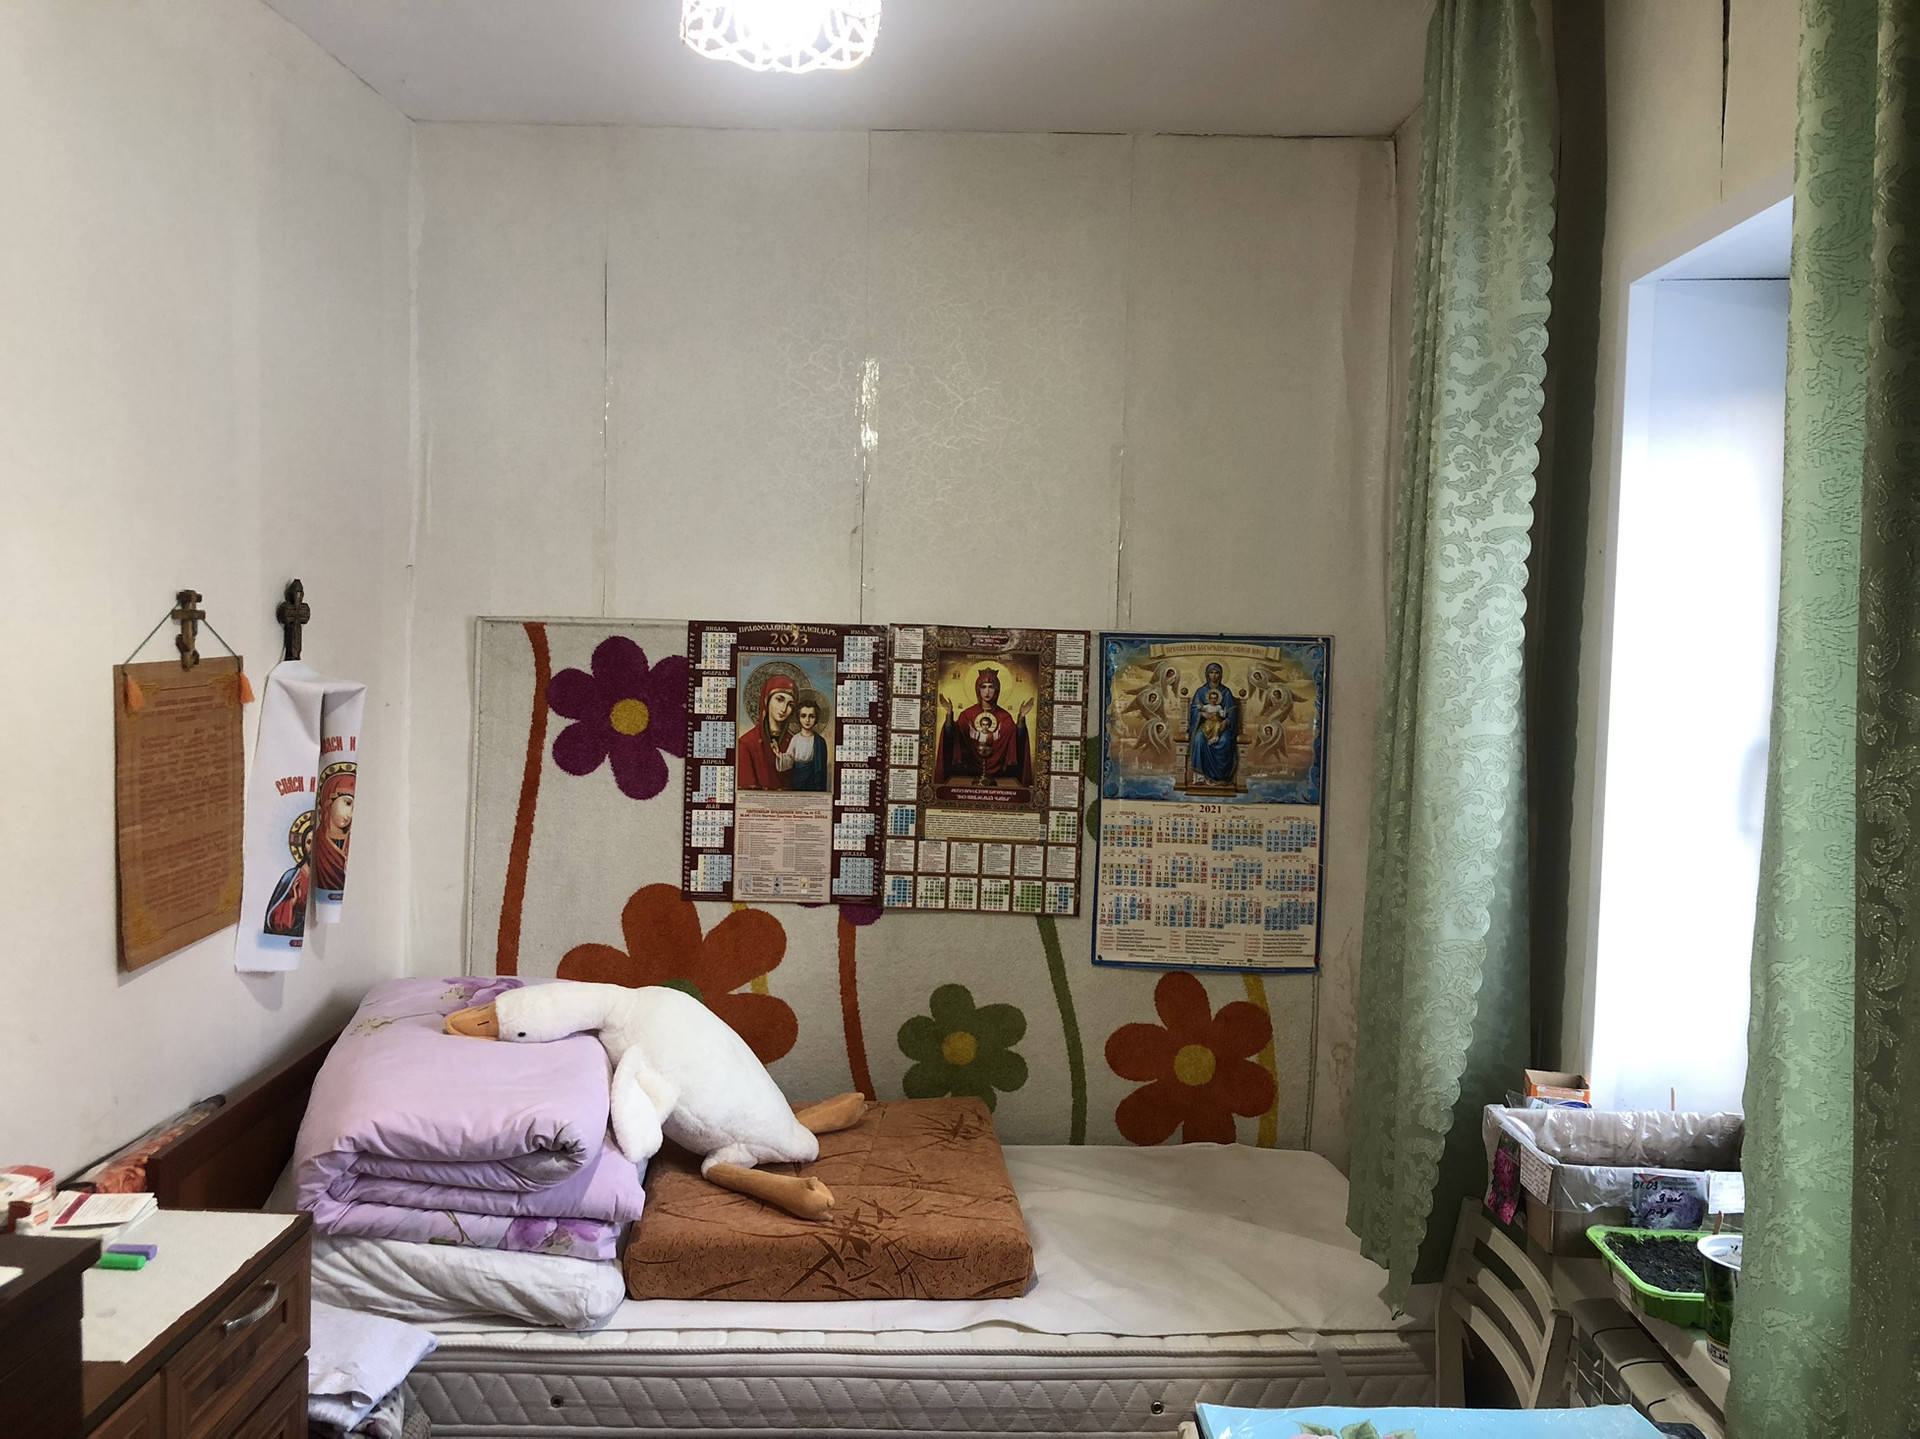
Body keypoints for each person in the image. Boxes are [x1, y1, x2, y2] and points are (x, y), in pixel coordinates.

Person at [934, 666, 1033, 786]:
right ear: (978, 690)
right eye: (983, 687)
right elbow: (952, 737)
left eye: (991, 687)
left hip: (999, 777)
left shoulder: (1005, 717)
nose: (987, 692)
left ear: (997, 690)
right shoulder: (967, 715)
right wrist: (949, 715)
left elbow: (1017, 740)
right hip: (968, 775)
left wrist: (1021, 718)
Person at [737, 674, 797, 790]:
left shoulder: (795, 741)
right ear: (766, 700)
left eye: (790, 704)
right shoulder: (747, 744)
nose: (784, 709)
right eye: (779, 700)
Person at [1187, 662, 1240, 785]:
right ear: (1207, 674)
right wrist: (1202, 714)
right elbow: (1194, 709)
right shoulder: (1201, 691)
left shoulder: (1226, 692)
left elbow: (1232, 711)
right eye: (1211, 672)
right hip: (1204, 725)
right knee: (1199, 739)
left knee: (1225, 741)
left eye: (1217, 673)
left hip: (1221, 726)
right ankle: (1201, 777)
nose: (1214, 675)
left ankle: (1221, 777)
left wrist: (1227, 721)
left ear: (1221, 675)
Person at [264, 812, 313, 936]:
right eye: (309, 842)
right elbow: (273, 918)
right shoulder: (291, 877)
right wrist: (291, 902)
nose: (313, 847)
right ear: (303, 846)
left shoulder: (329, 876)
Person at [313, 762, 355, 898]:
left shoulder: (352, 843)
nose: (350, 814)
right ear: (329, 800)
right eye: (347, 803)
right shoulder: (317, 841)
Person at [784, 697, 830, 792]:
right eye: (803, 716)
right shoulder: (796, 739)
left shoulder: (820, 741)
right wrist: (779, 755)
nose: (807, 720)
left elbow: (822, 770)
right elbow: (789, 758)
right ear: (799, 718)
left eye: (811, 716)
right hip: (797, 779)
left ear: (816, 718)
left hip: (813, 782)